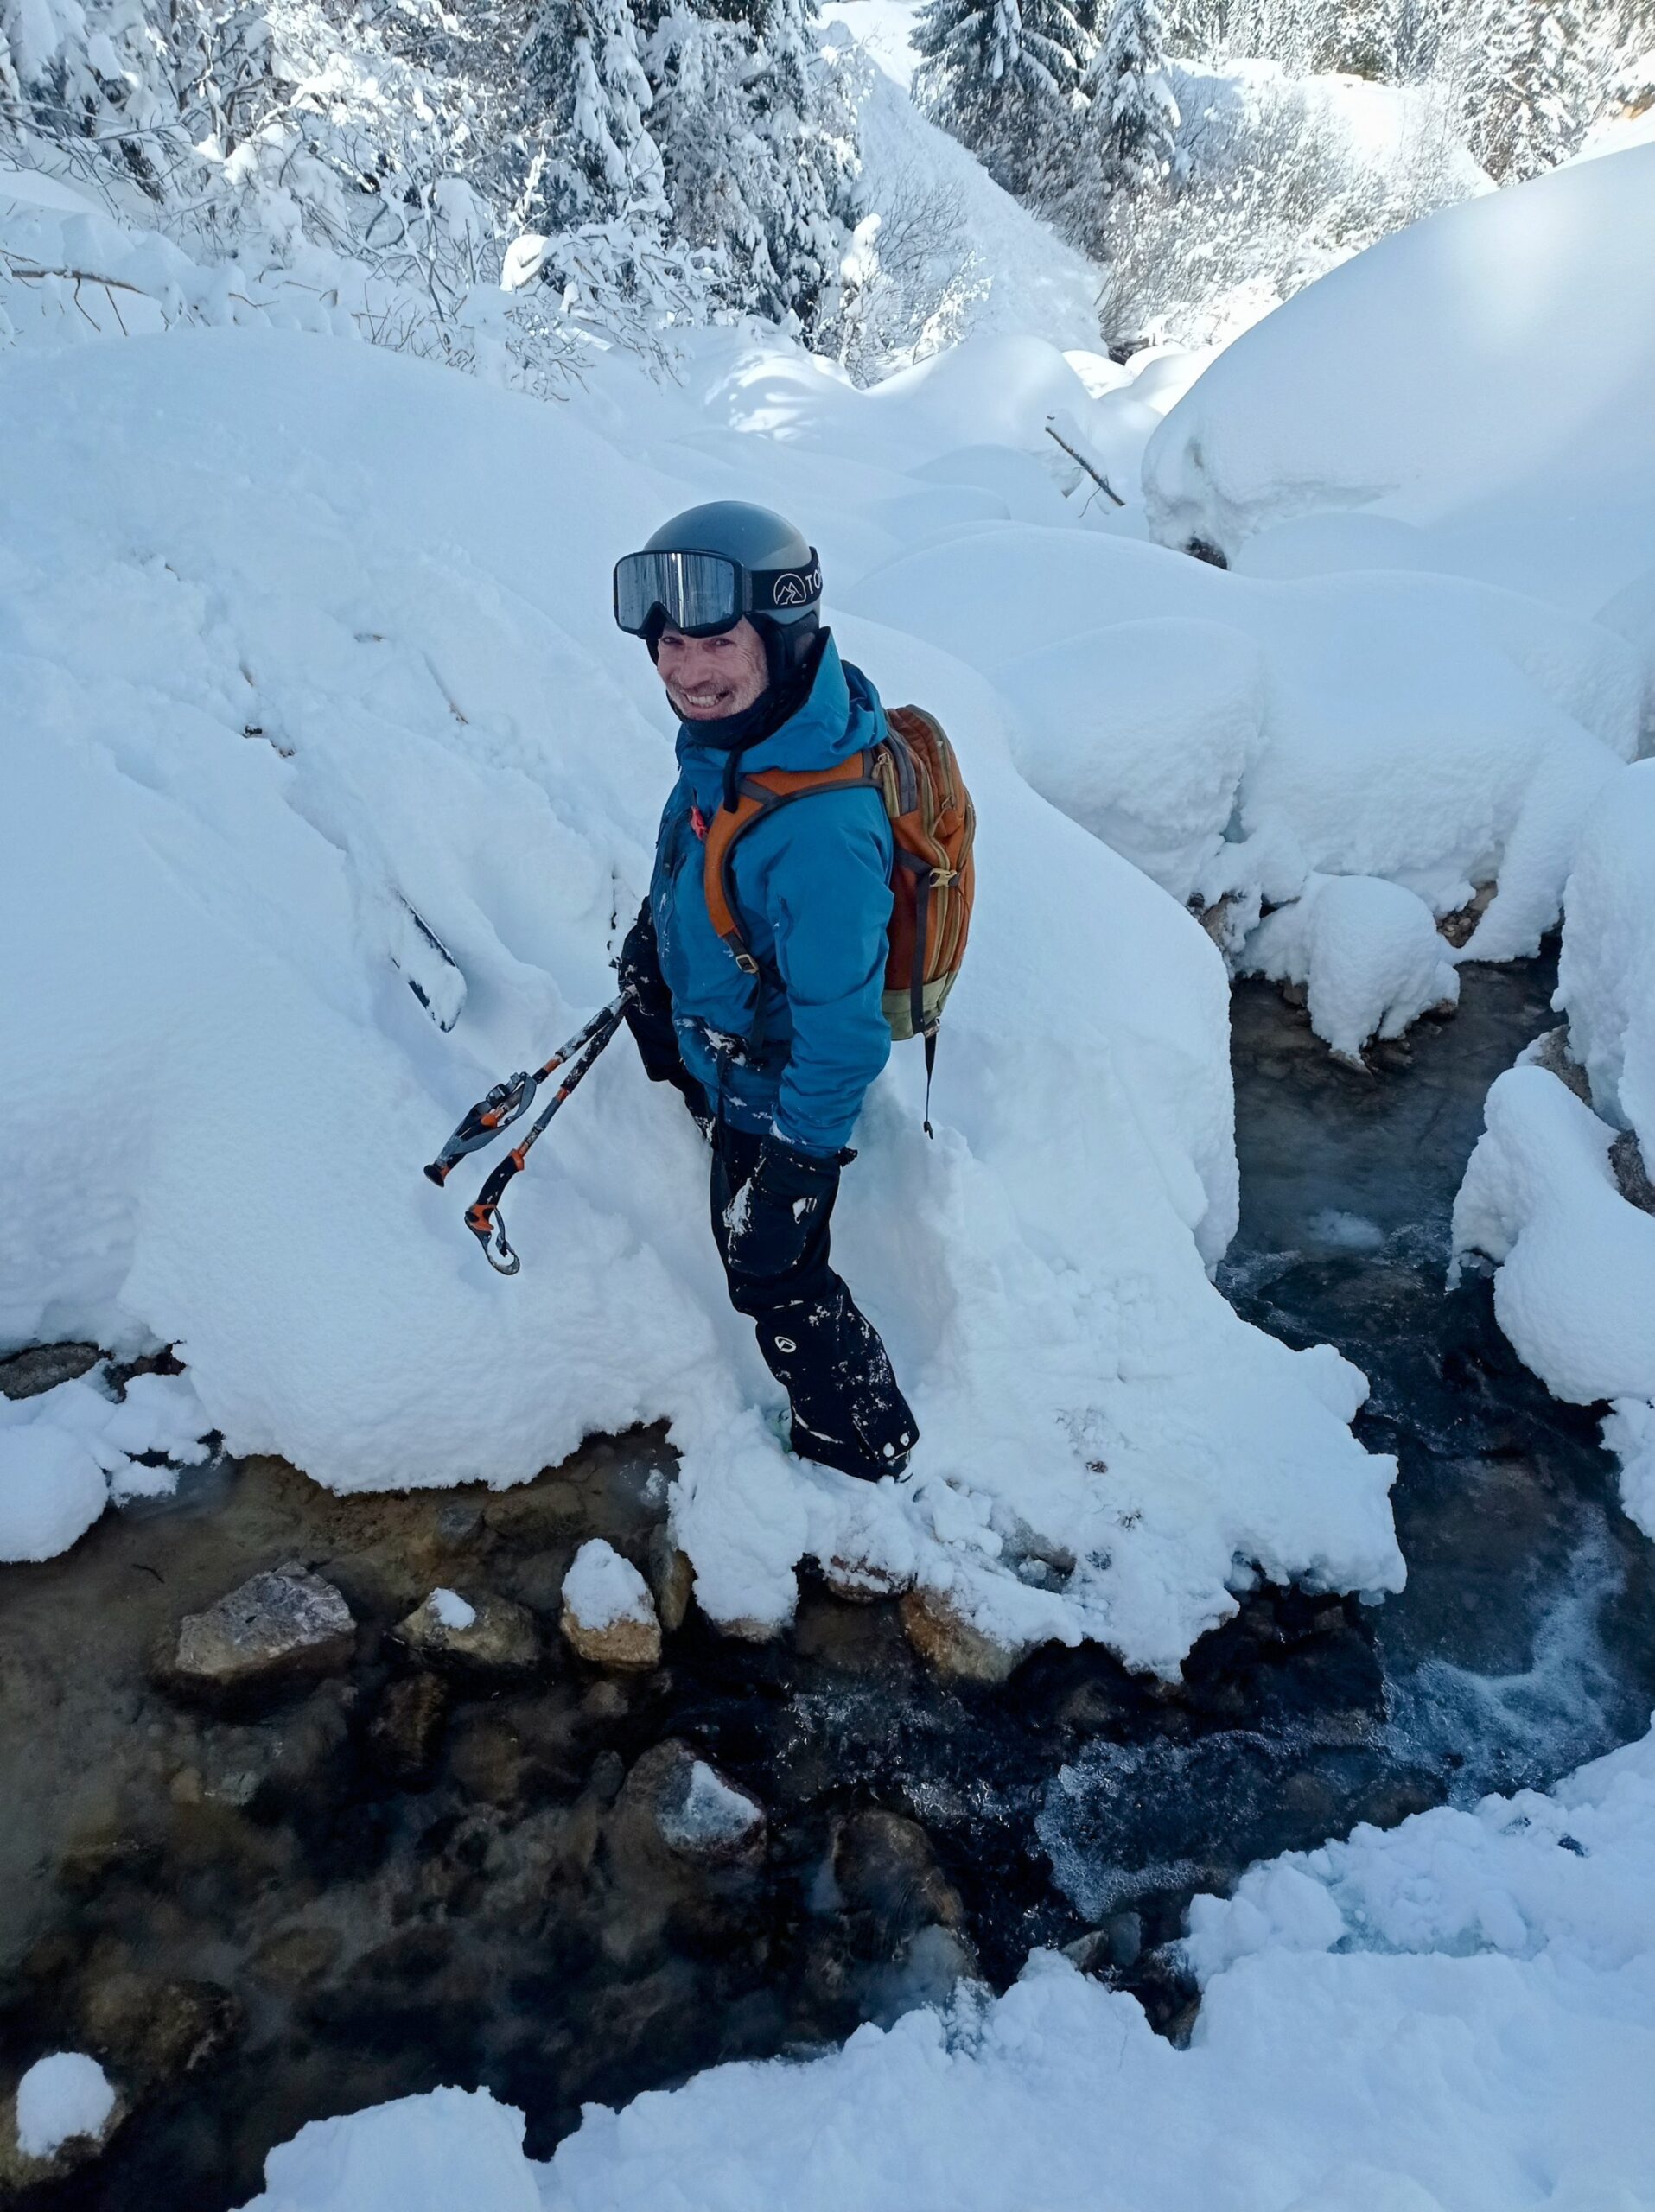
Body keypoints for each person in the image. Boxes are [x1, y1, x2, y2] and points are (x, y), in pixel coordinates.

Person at [613, 500, 919, 1483]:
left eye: (712, 640)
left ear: (781, 634)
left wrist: (793, 1170)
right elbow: (701, 858)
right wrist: (655, 947)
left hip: (778, 1088)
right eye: (665, 642)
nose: (682, 670)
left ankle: (861, 1440)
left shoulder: (821, 822)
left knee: (771, 1272)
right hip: (724, 1041)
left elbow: (842, 1032)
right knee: (756, 1245)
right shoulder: (745, 739)